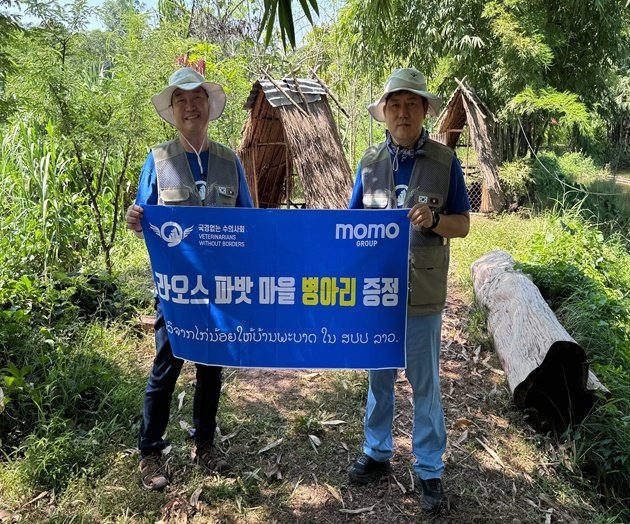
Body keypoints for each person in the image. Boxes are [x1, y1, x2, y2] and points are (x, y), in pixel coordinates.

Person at [347, 68, 470, 512]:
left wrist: (434, 220)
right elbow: (350, 225)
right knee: (379, 378)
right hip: (378, 293)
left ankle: (430, 469)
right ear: (384, 113)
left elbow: (463, 224)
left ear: (424, 111)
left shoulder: (444, 162)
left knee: (425, 383)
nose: (402, 112)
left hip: (422, 291)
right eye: (394, 105)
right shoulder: (369, 164)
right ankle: (377, 452)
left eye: (410, 104)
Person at [125, 67, 254, 491]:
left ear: (209, 107)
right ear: (174, 109)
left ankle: (205, 443)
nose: (190, 105)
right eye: (181, 99)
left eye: (197, 97)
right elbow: (141, 218)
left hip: (219, 289)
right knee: (167, 365)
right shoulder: (158, 160)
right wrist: (134, 217)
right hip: (176, 289)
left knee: (211, 368)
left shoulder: (229, 161)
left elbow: (250, 223)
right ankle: (149, 452)